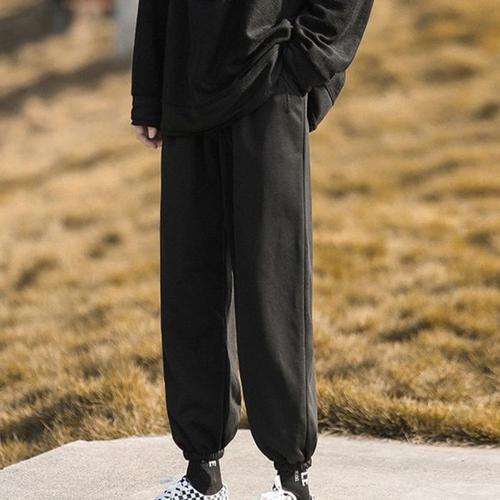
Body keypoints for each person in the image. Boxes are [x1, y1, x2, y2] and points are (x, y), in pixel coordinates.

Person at [131, 1, 373, 499]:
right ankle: (202, 474)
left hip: (268, 85)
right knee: (190, 286)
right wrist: (150, 92)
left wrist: (304, 61)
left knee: (272, 286)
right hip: (187, 92)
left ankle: (291, 477)